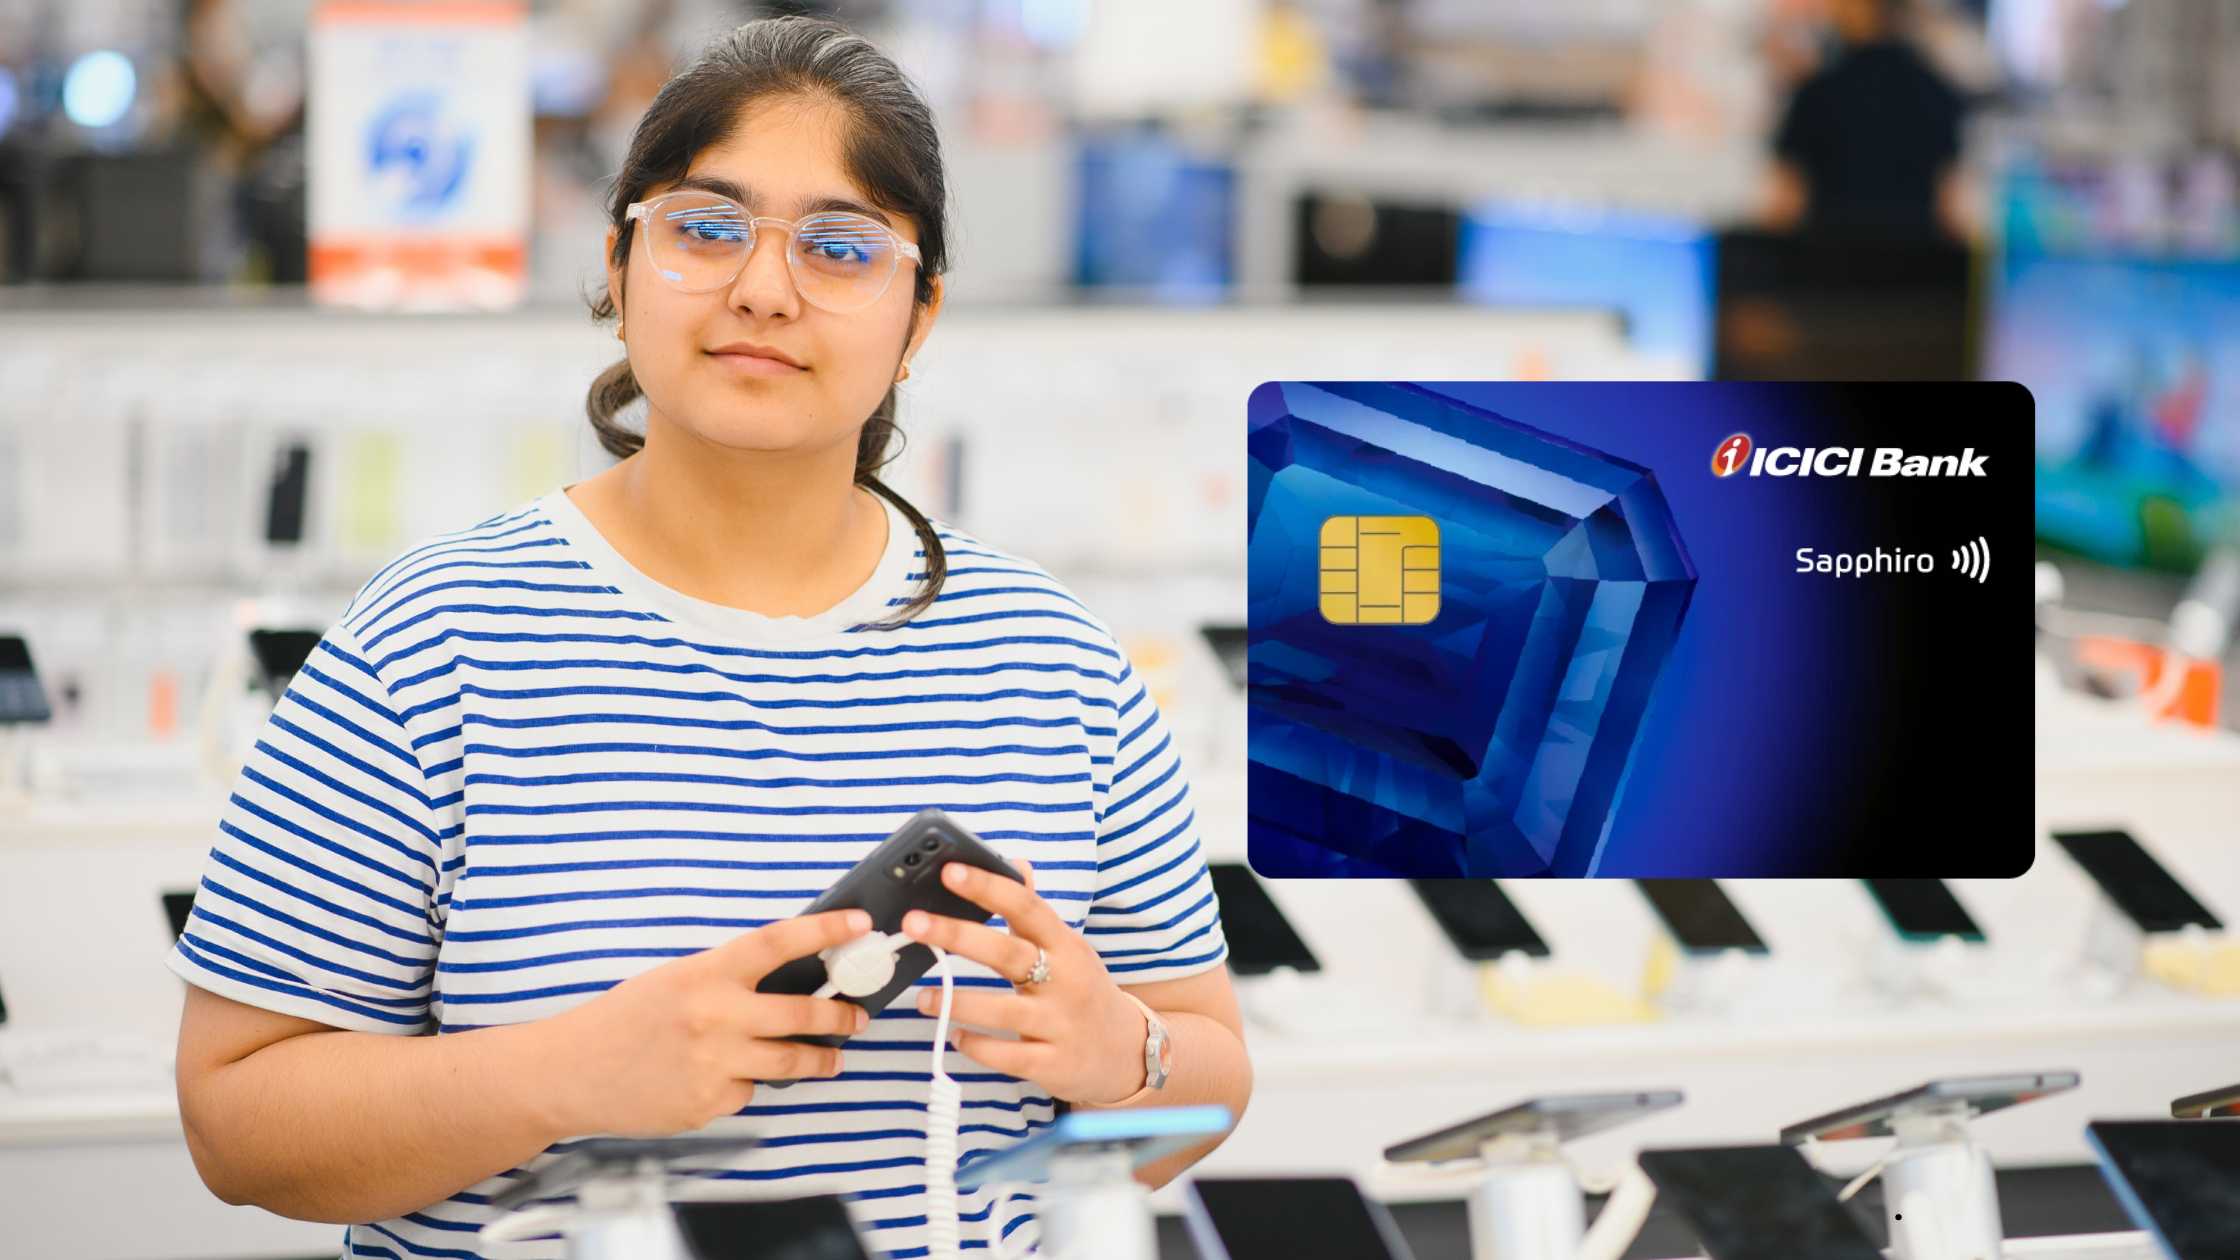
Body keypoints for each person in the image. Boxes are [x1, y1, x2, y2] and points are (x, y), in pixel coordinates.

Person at [167, 17, 1250, 1259]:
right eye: (704, 227)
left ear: (920, 311)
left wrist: (1127, 1057)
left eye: (840, 247)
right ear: (620, 264)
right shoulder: (433, 642)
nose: (763, 288)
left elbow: (1205, 1082)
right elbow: (236, 1119)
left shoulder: (1050, 659)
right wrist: (567, 1071)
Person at [1761, 0, 1971, 240]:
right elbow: (1950, 213)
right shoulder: (1937, 92)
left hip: (1826, 267)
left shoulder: (1818, 94)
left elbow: (1786, 208)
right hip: (1912, 270)